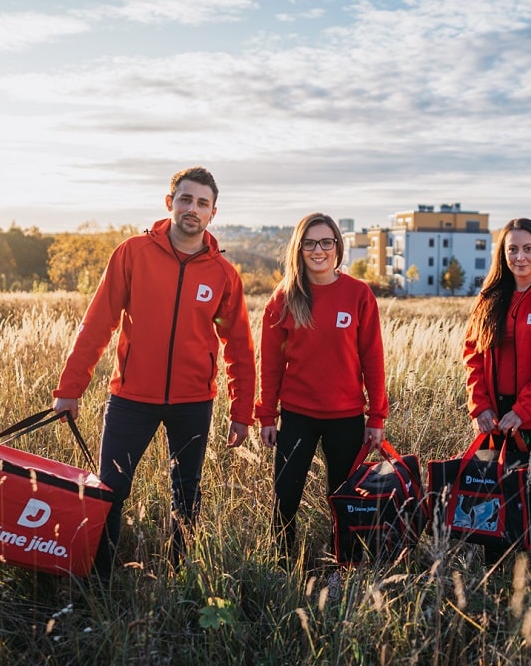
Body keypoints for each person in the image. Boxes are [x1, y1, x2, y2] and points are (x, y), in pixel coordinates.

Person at [52, 167, 256, 580]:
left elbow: (239, 348)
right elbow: (98, 324)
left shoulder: (223, 274)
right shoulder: (133, 253)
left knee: (187, 495)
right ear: (169, 203)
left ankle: (179, 579)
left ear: (213, 213)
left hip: (193, 403)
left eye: (202, 203)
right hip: (131, 399)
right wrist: (69, 389)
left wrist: (242, 412)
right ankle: (100, 582)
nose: (192, 209)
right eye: (186, 199)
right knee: (110, 490)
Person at [256, 213, 388, 566]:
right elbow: (271, 364)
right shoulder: (284, 297)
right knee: (285, 496)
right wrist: (266, 414)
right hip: (297, 416)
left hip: (346, 417)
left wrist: (377, 416)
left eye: (326, 242)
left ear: (337, 247)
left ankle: (341, 565)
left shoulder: (358, 294)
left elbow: (373, 359)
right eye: (310, 243)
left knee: (343, 498)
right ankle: (282, 565)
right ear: (299, 249)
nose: (319, 250)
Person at [463, 217, 531, 563]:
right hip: (494, 421)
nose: (520, 257)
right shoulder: (489, 298)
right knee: (494, 501)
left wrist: (523, 411)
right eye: (513, 249)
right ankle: (495, 575)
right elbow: (472, 354)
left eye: (528, 249)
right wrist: (480, 406)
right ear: (503, 254)